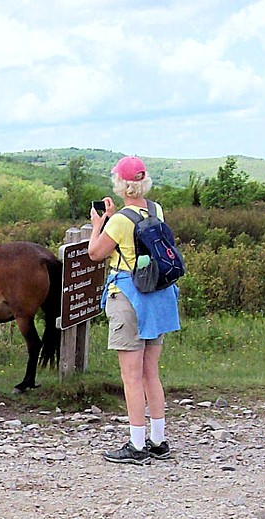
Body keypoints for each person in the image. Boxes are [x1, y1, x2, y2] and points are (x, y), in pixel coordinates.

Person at [88, 156, 181, 465]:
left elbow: (95, 253)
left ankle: (137, 445)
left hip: (129, 297)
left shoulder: (118, 221)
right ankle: (158, 440)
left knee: (131, 377)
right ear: (143, 182)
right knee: (150, 373)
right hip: (157, 296)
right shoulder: (156, 210)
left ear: (121, 185)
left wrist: (98, 225)